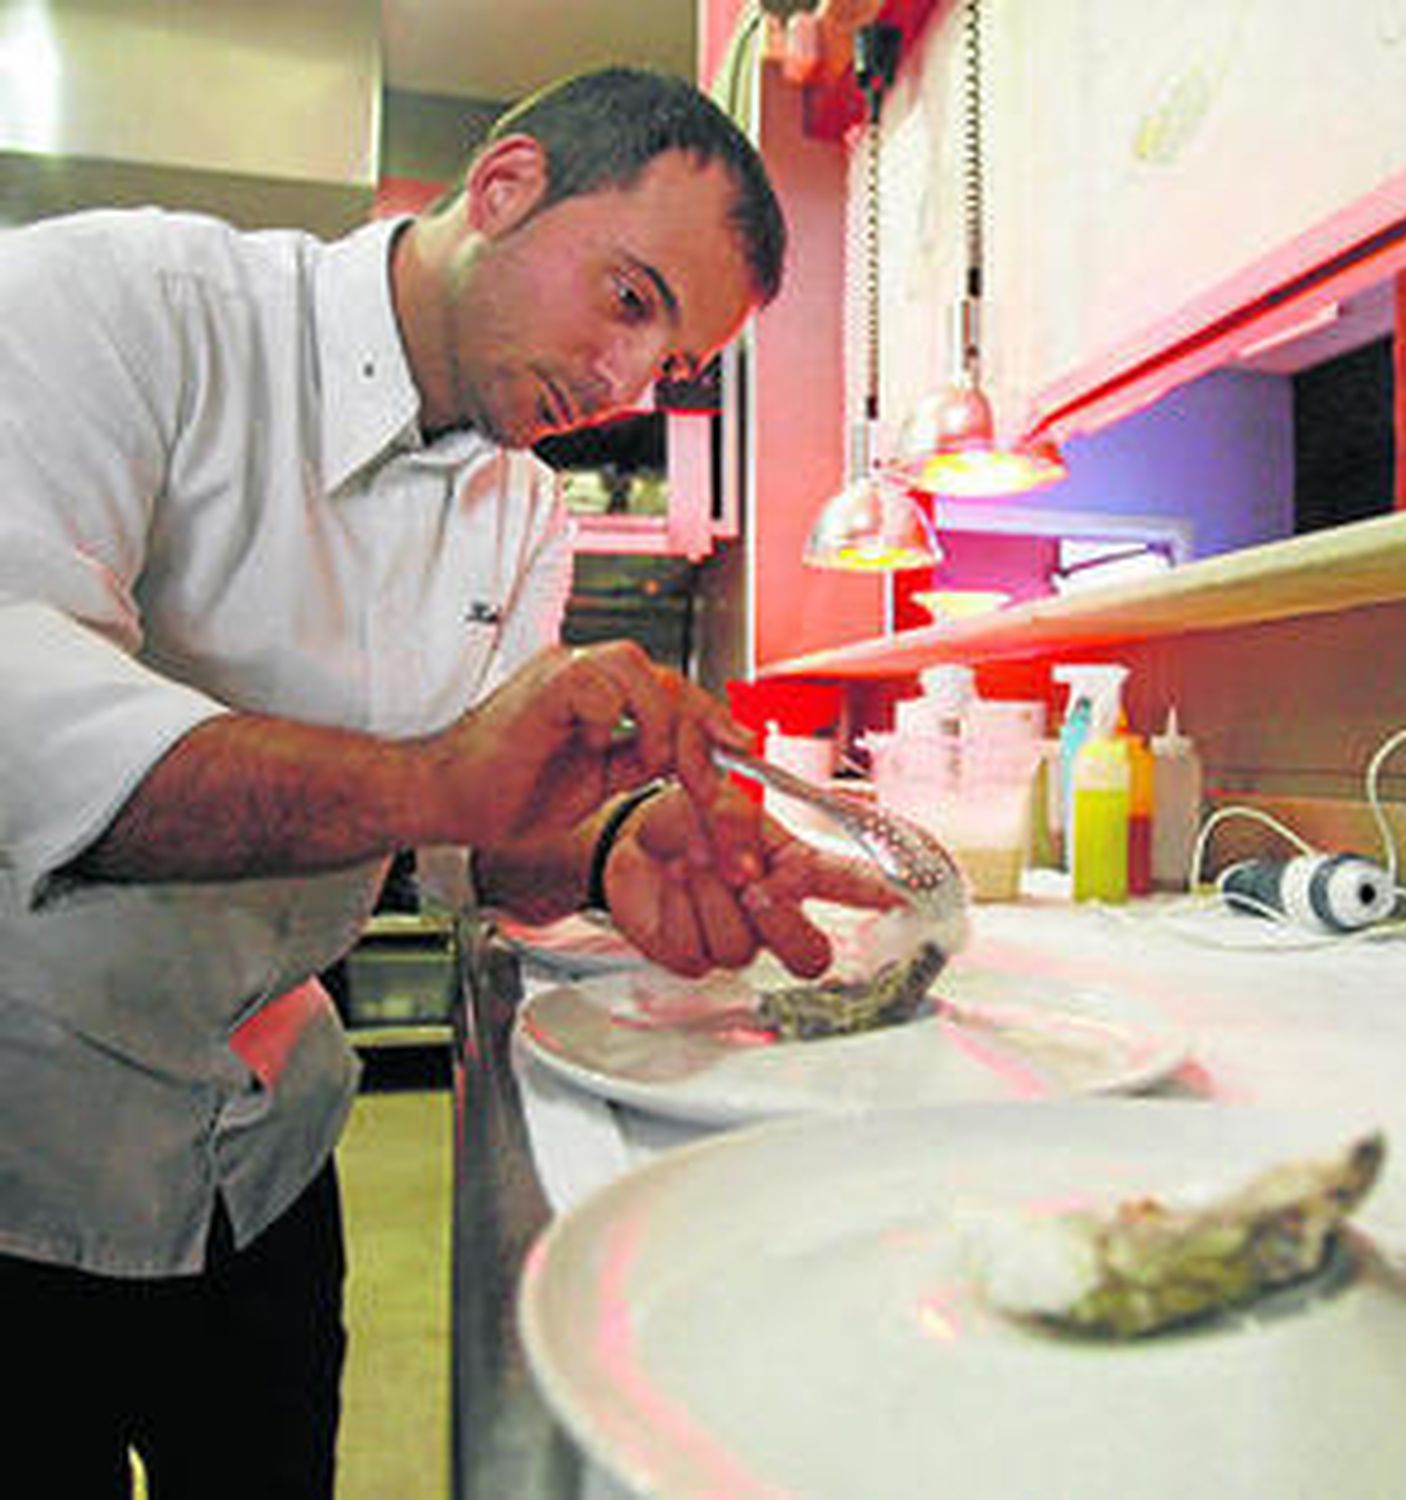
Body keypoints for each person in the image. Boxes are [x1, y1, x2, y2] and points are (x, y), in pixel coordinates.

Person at [0, 67, 893, 1498]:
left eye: (665, 366)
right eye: (626, 298)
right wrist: (439, 781)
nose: (622, 384)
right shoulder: (120, 306)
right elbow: (22, 730)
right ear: (503, 187)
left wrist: (612, 850)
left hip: (267, 1147)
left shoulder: (524, 505)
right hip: (26, 1157)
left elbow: (486, 838)